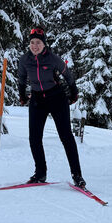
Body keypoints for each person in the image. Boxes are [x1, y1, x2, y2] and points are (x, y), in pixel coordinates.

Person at [18, 28, 86, 188]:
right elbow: (21, 78)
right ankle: (40, 173)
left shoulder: (52, 58)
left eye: (38, 43)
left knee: (66, 137)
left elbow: (67, 74)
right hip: (37, 99)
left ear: (44, 44)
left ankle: (77, 175)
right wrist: (22, 94)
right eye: (32, 42)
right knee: (34, 138)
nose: (35, 46)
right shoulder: (24, 60)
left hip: (56, 98)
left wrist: (74, 92)